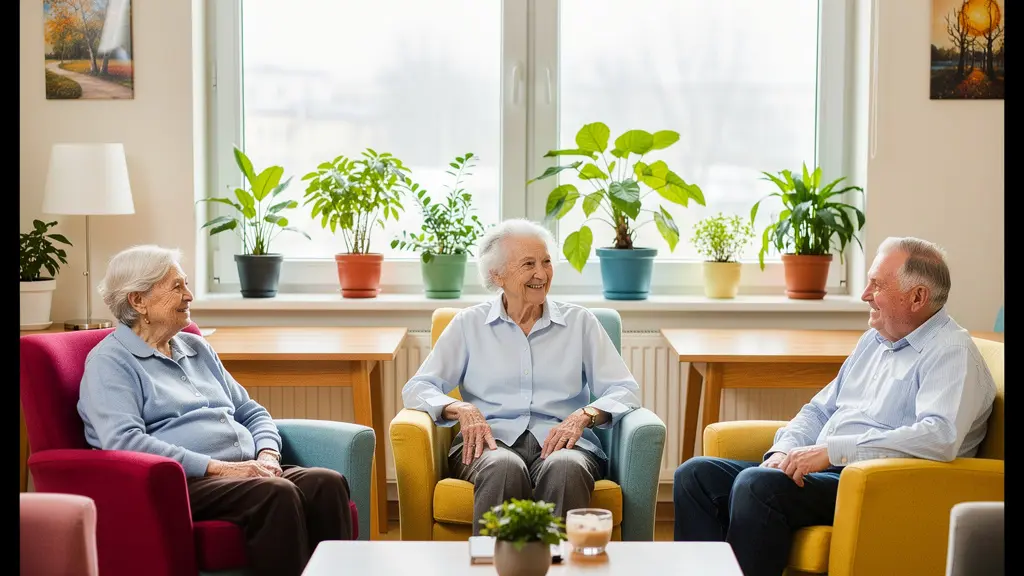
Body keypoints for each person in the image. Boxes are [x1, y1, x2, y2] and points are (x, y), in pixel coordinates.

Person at [672, 236, 997, 576]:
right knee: (695, 476)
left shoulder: (950, 352)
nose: (865, 294)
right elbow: (819, 410)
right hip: (828, 473)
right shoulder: (875, 341)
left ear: (918, 297)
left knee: (757, 486)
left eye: (877, 285)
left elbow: (939, 436)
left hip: (879, 486)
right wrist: (782, 451)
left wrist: (832, 451)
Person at [77, 245, 352, 576]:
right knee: (274, 494)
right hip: (182, 483)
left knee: (326, 483)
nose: (189, 295)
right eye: (177, 286)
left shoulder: (195, 347)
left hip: (245, 471)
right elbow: (123, 442)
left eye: (186, 284)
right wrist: (220, 469)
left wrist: (267, 455)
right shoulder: (110, 362)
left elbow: (250, 411)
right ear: (138, 301)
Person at [402, 218, 642, 533]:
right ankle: (492, 559)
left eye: (546, 262)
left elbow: (625, 389)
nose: (541, 274)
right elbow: (418, 387)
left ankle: (559, 561)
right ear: (496, 275)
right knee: (503, 467)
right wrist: (460, 408)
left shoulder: (580, 323)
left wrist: (586, 414)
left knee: (566, 468)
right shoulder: (468, 324)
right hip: (490, 444)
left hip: (565, 444)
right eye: (528, 264)